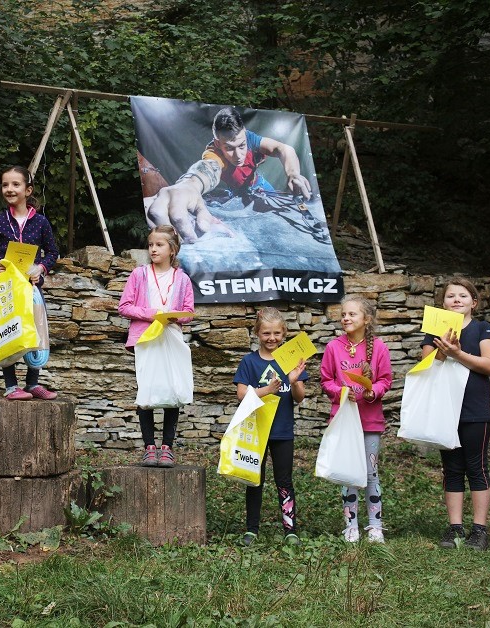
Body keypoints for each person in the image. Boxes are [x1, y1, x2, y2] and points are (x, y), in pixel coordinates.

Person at [145, 106, 315, 243]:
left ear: (244, 134)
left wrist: (293, 174)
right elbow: (207, 169)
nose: (238, 155)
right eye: (229, 148)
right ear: (218, 143)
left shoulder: (250, 138)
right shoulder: (214, 153)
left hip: (260, 186)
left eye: (242, 146)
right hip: (237, 195)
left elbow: (283, 149)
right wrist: (188, 185)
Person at [420, 278, 490, 551]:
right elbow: (426, 366)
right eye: (450, 296)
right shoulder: (434, 331)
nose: (456, 299)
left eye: (463, 295)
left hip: (475, 410)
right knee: (452, 469)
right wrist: (443, 352)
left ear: (473, 302)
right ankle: (455, 527)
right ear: (442, 303)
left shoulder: (483, 328)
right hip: (446, 410)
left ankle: (479, 530)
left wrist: (457, 352)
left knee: (477, 467)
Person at [0, 166, 59, 401]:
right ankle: (11, 386)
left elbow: (53, 252)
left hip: (31, 288)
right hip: (7, 290)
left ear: (28, 190)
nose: (9, 189)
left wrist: (41, 268)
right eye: (5, 185)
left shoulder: (40, 222)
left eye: (15, 184)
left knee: (35, 330)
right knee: (7, 331)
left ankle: (33, 383)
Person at [118, 225, 194, 467]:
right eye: (150, 244)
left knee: (172, 389)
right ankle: (149, 447)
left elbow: (189, 311)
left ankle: (167, 447)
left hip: (171, 337)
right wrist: (152, 314)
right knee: (147, 390)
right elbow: (124, 306)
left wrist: (173, 317)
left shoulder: (182, 279)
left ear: (172, 250)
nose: (153, 249)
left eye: (159, 245)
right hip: (146, 338)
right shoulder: (139, 275)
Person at [233, 307, 308, 546]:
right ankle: (251, 529)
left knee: (284, 480)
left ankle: (290, 530)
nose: (272, 338)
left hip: (283, 431)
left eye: (276, 333)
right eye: (266, 333)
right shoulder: (249, 361)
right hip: (256, 432)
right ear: (257, 333)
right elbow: (241, 394)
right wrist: (267, 390)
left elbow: (299, 397)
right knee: (255, 479)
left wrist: (294, 381)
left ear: (284, 333)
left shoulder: (290, 360)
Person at [320, 295, 392, 543]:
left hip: (370, 421)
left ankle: (375, 526)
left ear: (367, 319)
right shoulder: (333, 347)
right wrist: (341, 392)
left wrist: (373, 392)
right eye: (343, 314)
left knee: (371, 473)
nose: (346, 318)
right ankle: (351, 526)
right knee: (347, 472)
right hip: (344, 421)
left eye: (352, 314)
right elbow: (326, 380)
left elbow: (385, 380)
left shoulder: (379, 348)